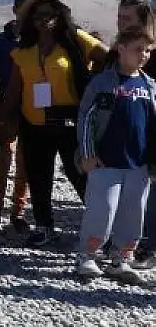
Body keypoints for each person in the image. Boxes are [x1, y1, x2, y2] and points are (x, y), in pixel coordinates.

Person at [3, 0, 108, 247]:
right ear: (30, 20)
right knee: (38, 177)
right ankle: (44, 226)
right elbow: (15, 90)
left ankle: (102, 230)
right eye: (38, 15)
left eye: (50, 13)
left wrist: (97, 94)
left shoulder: (76, 41)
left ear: (60, 16)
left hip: (70, 123)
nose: (44, 19)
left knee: (80, 175)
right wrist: (3, 117)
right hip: (34, 124)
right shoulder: (22, 52)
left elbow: (110, 59)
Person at [74, 25, 155, 284]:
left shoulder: (150, 85)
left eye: (148, 51)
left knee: (133, 213)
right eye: (138, 50)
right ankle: (88, 255)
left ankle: (121, 257)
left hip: (138, 164)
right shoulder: (102, 82)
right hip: (105, 161)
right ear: (121, 49)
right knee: (102, 209)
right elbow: (86, 119)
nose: (143, 55)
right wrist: (87, 153)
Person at [0, 0, 36, 232]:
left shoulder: (38, 42)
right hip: (6, 106)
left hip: (33, 108)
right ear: (14, 10)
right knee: (3, 159)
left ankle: (18, 212)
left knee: (26, 162)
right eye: (24, 8)